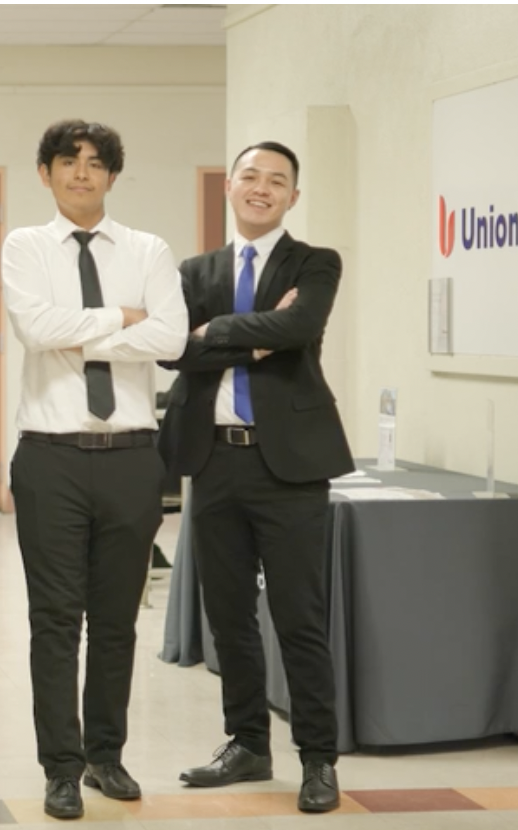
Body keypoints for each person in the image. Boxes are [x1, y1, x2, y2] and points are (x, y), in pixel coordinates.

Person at [157, 141, 353, 813]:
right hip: (213, 461)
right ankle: (246, 743)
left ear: (293, 196)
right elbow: (170, 350)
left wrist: (219, 330)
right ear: (230, 187)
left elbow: (300, 323)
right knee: (229, 615)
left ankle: (318, 760)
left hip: (291, 466)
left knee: (300, 616)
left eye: (277, 180)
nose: (261, 188)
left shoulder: (315, 262)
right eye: (250, 176)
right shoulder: (193, 269)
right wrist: (249, 337)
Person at [1, 119, 188, 820]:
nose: (82, 172)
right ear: (45, 173)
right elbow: (33, 328)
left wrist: (84, 329)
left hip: (133, 459)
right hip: (50, 457)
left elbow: (168, 337)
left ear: (113, 175)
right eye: (67, 161)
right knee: (55, 621)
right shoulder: (25, 246)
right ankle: (61, 766)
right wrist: (119, 318)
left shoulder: (149, 248)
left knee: (117, 621)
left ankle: (106, 755)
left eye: (95, 163)